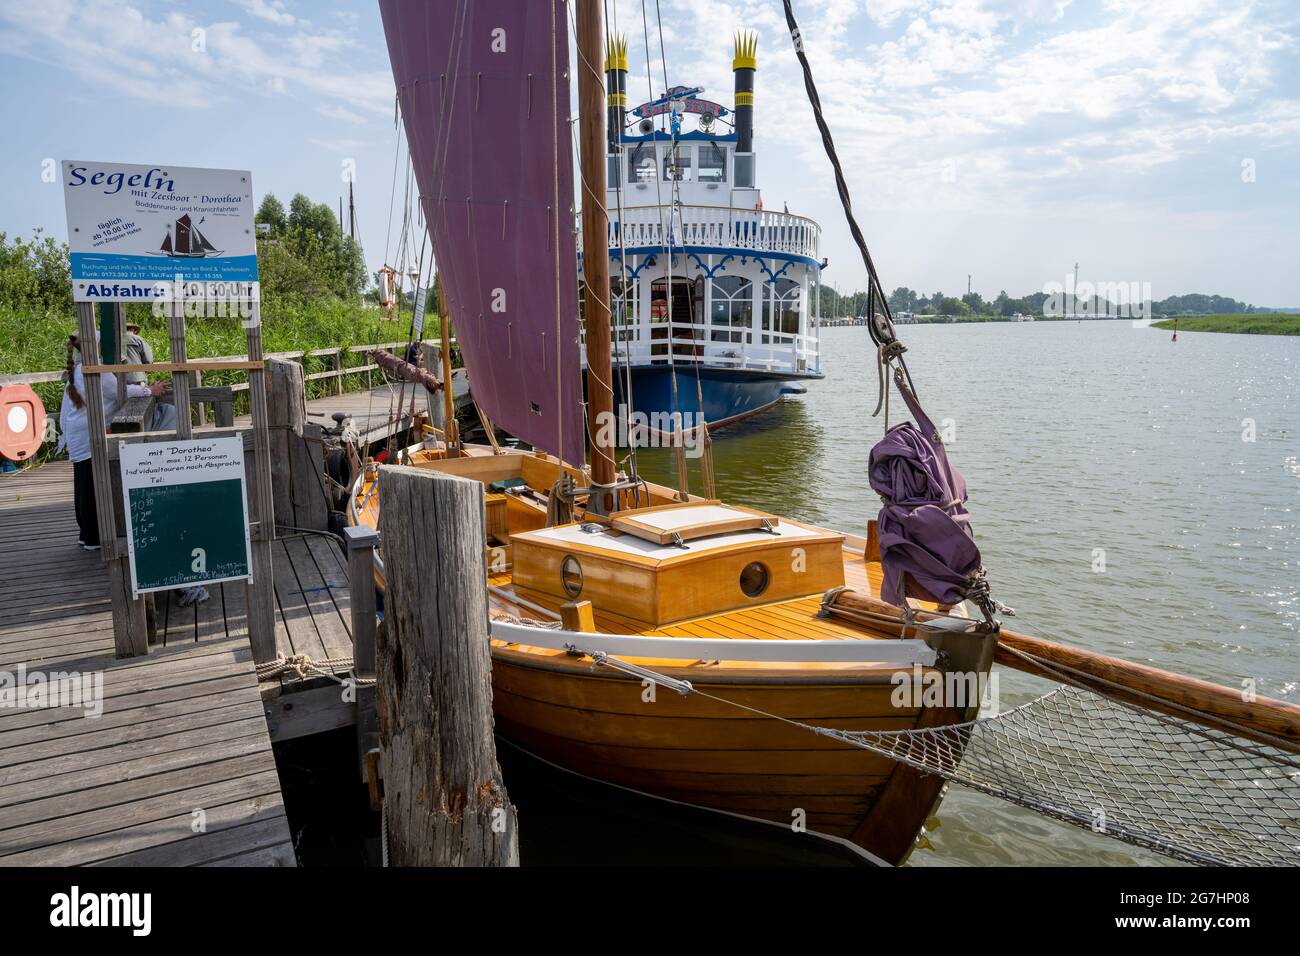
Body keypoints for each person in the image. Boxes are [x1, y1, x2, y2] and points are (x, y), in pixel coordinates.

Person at [59, 334, 166, 550]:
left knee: (83, 483)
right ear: (97, 346)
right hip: (90, 433)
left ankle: (85, 534)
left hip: (78, 432)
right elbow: (120, 393)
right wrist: (150, 390)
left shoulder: (78, 368)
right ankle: (92, 537)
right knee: (92, 486)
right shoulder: (97, 369)